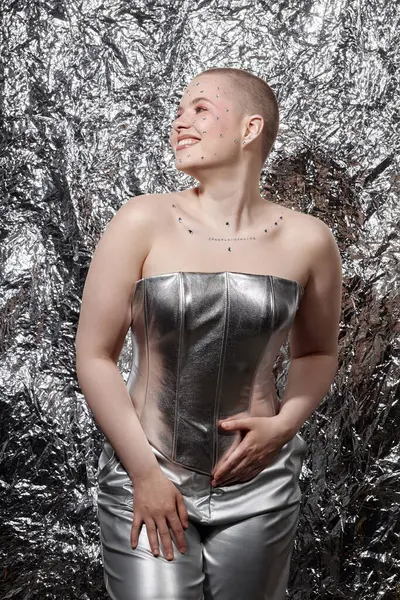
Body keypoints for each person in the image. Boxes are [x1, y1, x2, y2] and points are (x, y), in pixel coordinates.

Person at [75, 67, 342, 600]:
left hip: (261, 484)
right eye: (179, 111)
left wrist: (285, 423)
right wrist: (145, 477)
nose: (180, 122)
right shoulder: (141, 220)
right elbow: (94, 354)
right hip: (148, 471)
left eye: (199, 108)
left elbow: (317, 352)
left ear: (249, 129)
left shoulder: (310, 240)